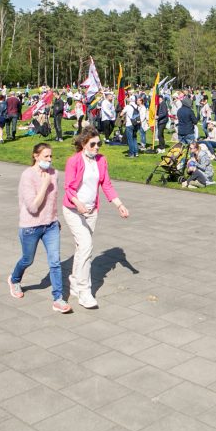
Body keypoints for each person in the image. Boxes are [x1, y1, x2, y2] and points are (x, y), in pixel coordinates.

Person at [62, 126, 130, 309]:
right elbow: (68, 188)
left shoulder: (101, 161)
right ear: (84, 144)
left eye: (99, 144)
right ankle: (85, 291)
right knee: (86, 246)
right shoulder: (74, 161)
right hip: (73, 210)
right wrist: (78, 204)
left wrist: (119, 205)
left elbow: (106, 184)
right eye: (93, 144)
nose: (97, 147)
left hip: (92, 211)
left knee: (81, 248)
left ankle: (75, 281)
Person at [7, 143, 72, 313]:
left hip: (50, 225)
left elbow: (53, 200)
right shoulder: (27, 176)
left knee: (55, 262)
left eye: (51, 156)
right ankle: (14, 280)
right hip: (31, 225)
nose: (49, 160)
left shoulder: (54, 173)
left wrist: (55, 219)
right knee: (27, 260)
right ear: (36, 156)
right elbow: (33, 207)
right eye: (46, 156)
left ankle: (58, 299)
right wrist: (44, 185)